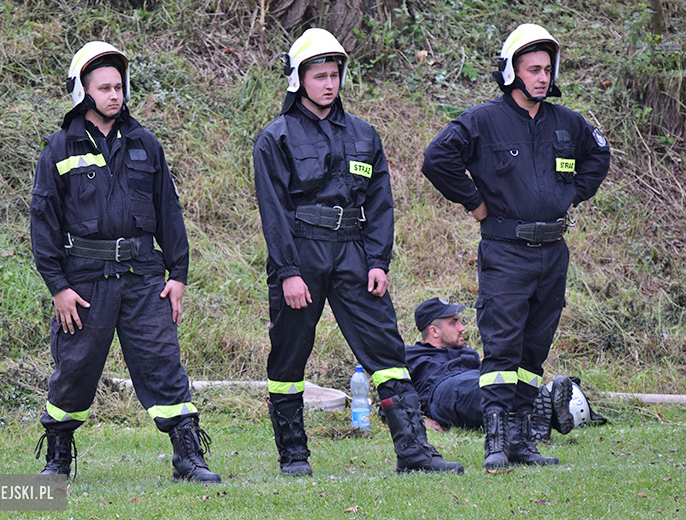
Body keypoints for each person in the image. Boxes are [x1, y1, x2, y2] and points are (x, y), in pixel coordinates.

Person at [253, 28, 463, 476]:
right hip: (302, 253)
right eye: (319, 76)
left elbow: (381, 203)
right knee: (289, 355)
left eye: (334, 75)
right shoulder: (276, 138)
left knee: (387, 354)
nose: (329, 84)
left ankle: (414, 452)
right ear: (298, 80)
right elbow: (274, 211)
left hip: (353, 252)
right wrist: (289, 270)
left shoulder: (365, 135)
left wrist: (377, 261)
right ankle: (293, 455)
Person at [420, 24, 610, 470]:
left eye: (547, 69)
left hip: (552, 252)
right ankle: (496, 442)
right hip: (506, 251)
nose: (543, 78)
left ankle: (523, 441)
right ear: (511, 71)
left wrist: (573, 194)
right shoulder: (482, 121)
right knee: (502, 348)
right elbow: (436, 159)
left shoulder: (568, 123)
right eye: (533, 69)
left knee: (533, 350)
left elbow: (599, 156)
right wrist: (475, 203)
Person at [30, 41, 219, 483]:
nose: (114, 95)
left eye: (119, 86)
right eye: (104, 88)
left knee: (162, 362)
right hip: (85, 281)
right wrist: (58, 287)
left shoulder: (145, 145)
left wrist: (179, 275)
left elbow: (169, 212)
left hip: (142, 277)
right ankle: (57, 459)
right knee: (75, 369)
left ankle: (188, 458)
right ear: (83, 91)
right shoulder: (58, 149)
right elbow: (43, 224)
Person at [405, 297, 574, 442]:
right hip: (442, 389)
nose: (462, 327)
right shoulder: (411, 355)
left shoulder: (467, 353)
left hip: (477, 379)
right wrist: (421, 419)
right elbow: (392, 397)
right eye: (453, 322)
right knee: (487, 393)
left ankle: (543, 416)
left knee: (504, 384)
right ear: (434, 331)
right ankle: (545, 410)